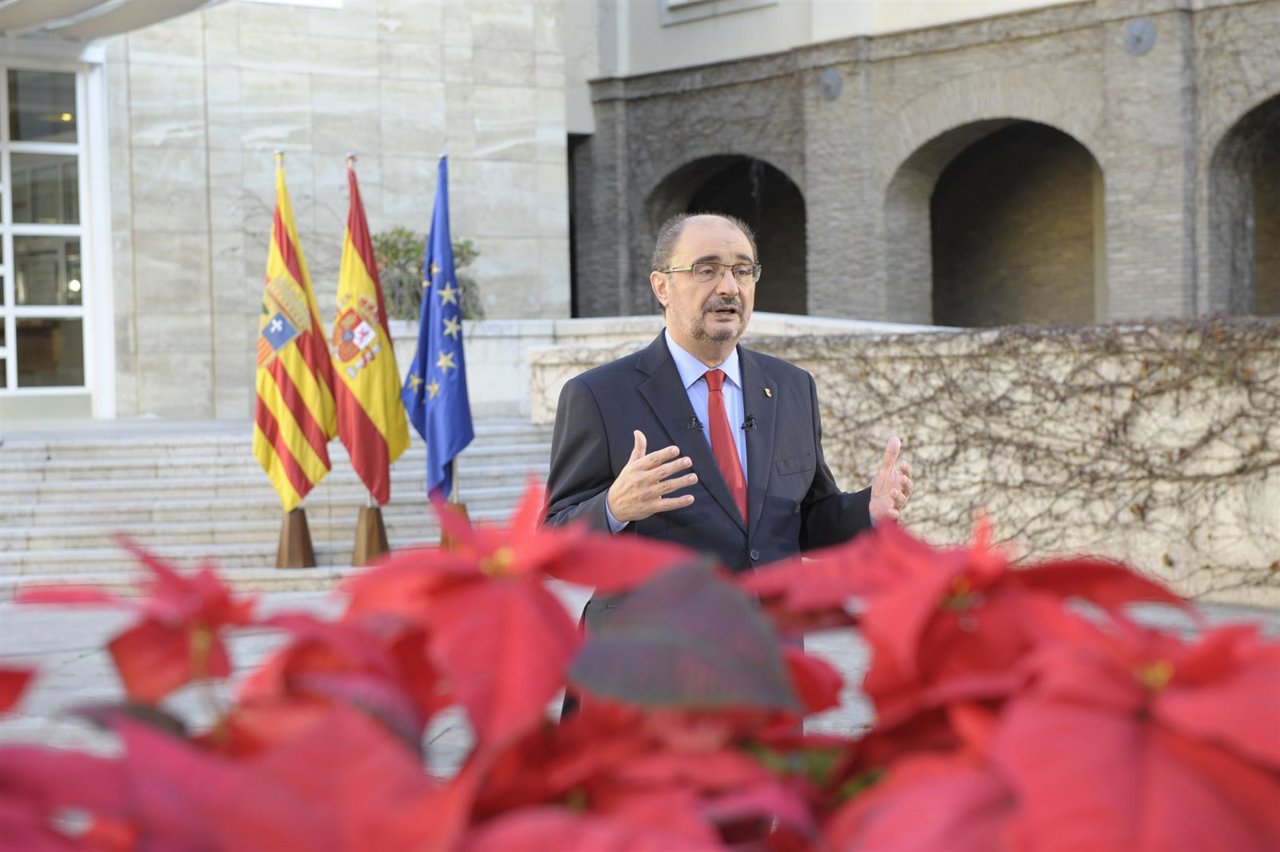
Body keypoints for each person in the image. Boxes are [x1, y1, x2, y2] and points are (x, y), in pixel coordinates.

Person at [545, 213, 912, 622]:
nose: (728, 287)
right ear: (661, 286)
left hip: (770, 653)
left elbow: (803, 522)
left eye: (742, 270)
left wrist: (868, 510)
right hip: (648, 660)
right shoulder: (599, 395)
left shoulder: (791, 388)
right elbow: (553, 542)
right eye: (706, 270)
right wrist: (614, 506)